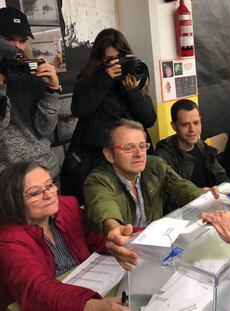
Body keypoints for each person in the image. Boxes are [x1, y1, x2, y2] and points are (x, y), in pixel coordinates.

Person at [0, 161, 132, 311]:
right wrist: (93, 306)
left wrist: (128, 236)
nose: (49, 194)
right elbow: (36, 289)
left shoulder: (66, 207)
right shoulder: (7, 240)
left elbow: (98, 238)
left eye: (49, 185)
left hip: (89, 288)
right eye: (35, 193)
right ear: (13, 201)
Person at [60, 28, 156, 204]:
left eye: (120, 58)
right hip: (96, 161)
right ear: (99, 60)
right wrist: (105, 80)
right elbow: (80, 110)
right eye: (110, 60)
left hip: (130, 159)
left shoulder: (132, 76)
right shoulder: (89, 78)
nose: (116, 64)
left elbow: (149, 119)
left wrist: (133, 92)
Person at [84, 119, 218, 234]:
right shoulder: (98, 180)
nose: (139, 154)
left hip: (155, 244)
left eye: (142, 146)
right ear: (109, 154)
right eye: (129, 148)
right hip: (120, 253)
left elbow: (179, 186)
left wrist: (203, 196)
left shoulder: (154, 165)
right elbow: (103, 205)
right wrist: (115, 229)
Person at [0, 7, 61, 177]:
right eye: (8, 39)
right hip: (9, 180)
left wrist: (51, 90)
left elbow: (44, 129)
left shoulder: (29, 72)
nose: (16, 47)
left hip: (45, 170)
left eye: (22, 40)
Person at [155, 99, 230, 188]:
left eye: (196, 123)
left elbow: (221, 177)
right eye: (185, 125)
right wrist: (200, 194)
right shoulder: (164, 156)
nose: (192, 130)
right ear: (174, 126)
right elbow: (172, 193)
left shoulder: (202, 146)